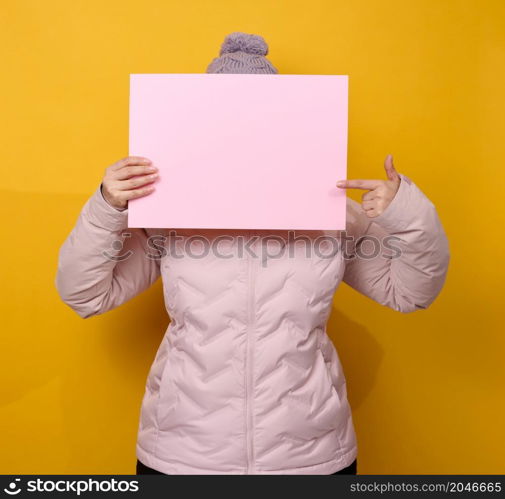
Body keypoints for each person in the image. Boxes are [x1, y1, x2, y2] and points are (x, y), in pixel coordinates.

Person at [55, 32, 450, 475]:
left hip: (312, 457)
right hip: (181, 456)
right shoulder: (165, 215)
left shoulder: (332, 214)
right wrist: (108, 205)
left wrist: (407, 213)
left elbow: (410, 293)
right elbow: (84, 294)